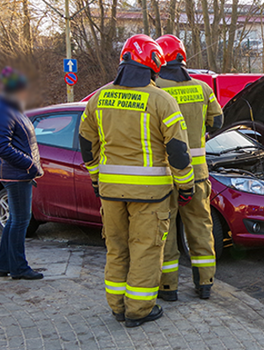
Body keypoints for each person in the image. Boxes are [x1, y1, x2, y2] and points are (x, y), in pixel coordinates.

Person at [79, 34, 195, 328]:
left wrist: (96, 180)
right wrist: (186, 186)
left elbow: (85, 144)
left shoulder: (98, 98)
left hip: (110, 192)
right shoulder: (162, 100)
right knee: (145, 249)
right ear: (154, 65)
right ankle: (138, 311)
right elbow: (179, 153)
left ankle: (117, 307)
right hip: (150, 194)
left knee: (116, 248)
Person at [154, 34, 224, 301]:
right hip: (197, 175)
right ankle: (205, 284)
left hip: (165, 175)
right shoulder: (203, 88)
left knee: (166, 230)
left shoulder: (155, 88)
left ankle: (169, 288)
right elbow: (217, 122)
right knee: (200, 227)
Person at [0, 67, 44, 281]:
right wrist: (29, 165)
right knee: (21, 220)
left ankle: (5, 264)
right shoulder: (4, 110)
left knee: (14, 219)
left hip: (18, 173)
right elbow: (2, 146)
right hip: (17, 174)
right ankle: (19, 267)